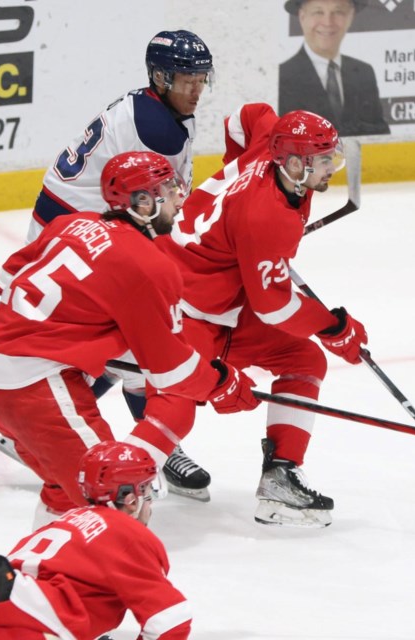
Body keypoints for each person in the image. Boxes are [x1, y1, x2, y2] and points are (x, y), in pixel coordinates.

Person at [0, 150, 259, 529]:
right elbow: (171, 372)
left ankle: (43, 573)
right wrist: (221, 384)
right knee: (115, 497)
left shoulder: (71, 224)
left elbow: (6, 279)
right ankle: (85, 583)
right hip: (42, 392)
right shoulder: (148, 264)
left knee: (67, 493)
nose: (181, 196)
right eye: (170, 188)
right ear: (142, 202)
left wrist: (88, 337)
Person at [128, 103, 368, 528]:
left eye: (332, 156)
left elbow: (246, 115)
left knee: (302, 360)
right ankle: (119, 490)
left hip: (219, 301)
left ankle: (281, 477)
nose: (331, 166)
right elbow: (274, 305)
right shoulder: (265, 216)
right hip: (183, 306)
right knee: (177, 406)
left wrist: (230, 170)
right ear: (293, 163)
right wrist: (331, 327)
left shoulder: (269, 144)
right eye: (322, 160)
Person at [1, 30, 217, 499]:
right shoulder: (156, 130)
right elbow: (153, 215)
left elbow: (158, 208)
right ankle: (161, 444)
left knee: (112, 345)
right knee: (141, 349)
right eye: (186, 80)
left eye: (202, 79)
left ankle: (26, 434)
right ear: (159, 78)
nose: (196, 90)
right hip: (72, 229)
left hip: (77, 222)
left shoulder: (162, 110)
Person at [0, 440, 191, 639]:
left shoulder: (63, 522)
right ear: (130, 499)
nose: (149, 502)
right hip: (31, 629)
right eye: (147, 490)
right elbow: (170, 621)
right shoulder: (126, 532)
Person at [278, 0, 390, 136]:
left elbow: (378, 137)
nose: (328, 22)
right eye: (318, 12)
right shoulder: (281, 77)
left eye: (338, 12)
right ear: (302, 17)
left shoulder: (363, 73)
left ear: (350, 17)